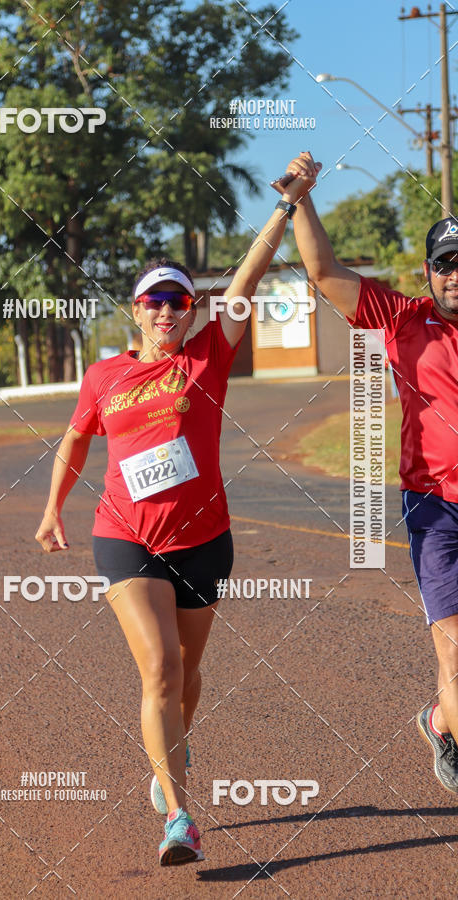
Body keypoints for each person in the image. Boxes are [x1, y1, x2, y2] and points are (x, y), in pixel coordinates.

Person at [34, 172, 310, 866]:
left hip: (204, 542)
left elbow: (245, 282)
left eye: (178, 300)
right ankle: (181, 816)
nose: (166, 311)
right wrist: (51, 511)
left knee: (186, 676)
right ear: (135, 310)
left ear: (191, 309)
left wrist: (285, 207)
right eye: (155, 300)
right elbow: (75, 439)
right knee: (158, 668)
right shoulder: (103, 377)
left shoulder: (207, 357)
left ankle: (166, 768)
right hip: (124, 537)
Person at [280, 151, 458, 794]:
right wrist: (301, 199)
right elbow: (323, 272)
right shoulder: (402, 319)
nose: (456, 275)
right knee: (452, 645)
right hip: (435, 507)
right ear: (428, 273)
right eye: (446, 264)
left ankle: (439, 720)